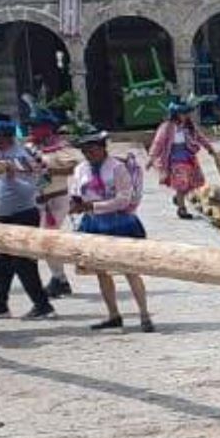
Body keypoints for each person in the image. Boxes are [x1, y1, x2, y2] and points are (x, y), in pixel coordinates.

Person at [69, 132, 153, 333]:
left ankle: (144, 315)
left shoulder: (117, 168)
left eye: (93, 149)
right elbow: (75, 191)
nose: (89, 154)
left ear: (102, 148)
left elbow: (124, 199)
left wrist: (94, 206)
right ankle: (113, 314)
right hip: (94, 224)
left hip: (120, 223)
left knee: (130, 270)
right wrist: (76, 202)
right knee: (101, 272)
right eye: (85, 151)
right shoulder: (80, 169)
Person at [0, 117, 56, 323]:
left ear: (2, 136)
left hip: (25, 213)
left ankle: (42, 305)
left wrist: (13, 178)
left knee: (24, 262)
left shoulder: (24, 155)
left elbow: (40, 184)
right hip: (4, 214)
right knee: (1, 262)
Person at [26, 108, 75, 298]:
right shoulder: (29, 147)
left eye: (35, 126)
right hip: (38, 200)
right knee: (45, 240)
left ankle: (59, 278)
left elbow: (73, 166)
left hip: (57, 198)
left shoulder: (61, 147)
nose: (31, 129)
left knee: (48, 239)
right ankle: (59, 278)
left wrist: (50, 171)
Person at [146, 100, 214, 219]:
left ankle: (179, 198)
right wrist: (151, 158)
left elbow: (199, 137)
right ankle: (182, 209)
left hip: (188, 156)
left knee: (191, 182)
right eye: (183, 113)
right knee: (181, 183)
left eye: (187, 113)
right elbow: (158, 142)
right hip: (174, 159)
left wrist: (209, 148)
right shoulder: (167, 126)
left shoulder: (189, 126)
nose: (186, 116)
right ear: (176, 114)